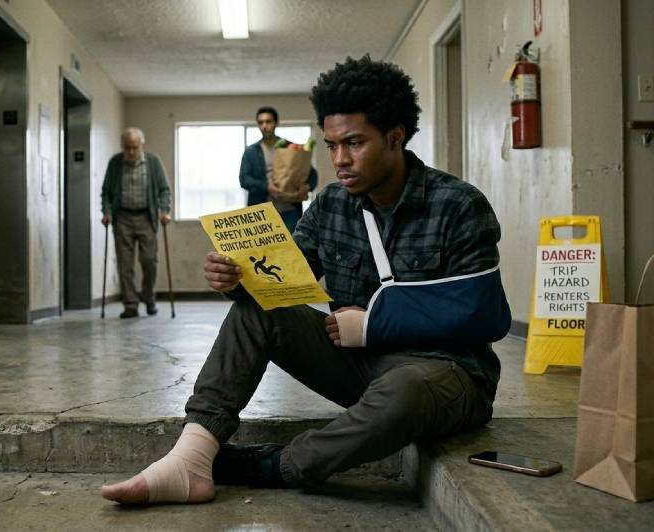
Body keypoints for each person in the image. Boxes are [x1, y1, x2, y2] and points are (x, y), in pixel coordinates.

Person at [101, 56, 510, 504]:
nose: (340, 160)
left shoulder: (458, 204)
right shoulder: (331, 204)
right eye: (331, 145)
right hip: (363, 367)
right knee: (257, 312)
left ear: (395, 137)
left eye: (354, 143)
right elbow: (283, 279)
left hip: (447, 374)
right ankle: (194, 454)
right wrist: (236, 279)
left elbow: (485, 315)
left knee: (403, 391)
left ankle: (271, 466)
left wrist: (373, 324)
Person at [101, 127, 172, 319]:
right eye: (127, 148)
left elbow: (164, 189)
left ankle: (149, 298)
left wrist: (164, 211)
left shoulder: (153, 162)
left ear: (142, 144)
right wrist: (107, 212)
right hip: (122, 217)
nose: (131, 152)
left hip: (146, 216)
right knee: (125, 264)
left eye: (134, 147)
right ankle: (130, 304)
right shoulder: (115, 163)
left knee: (149, 261)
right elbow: (106, 191)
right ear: (122, 146)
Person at [239, 106, 319, 234]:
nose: (264, 126)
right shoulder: (251, 152)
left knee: (292, 245)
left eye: (268, 121)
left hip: (290, 210)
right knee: (264, 247)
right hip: (261, 213)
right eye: (261, 122)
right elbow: (244, 180)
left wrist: (307, 186)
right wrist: (267, 187)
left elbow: (312, 174)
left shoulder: (291, 147)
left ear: (276, 123)